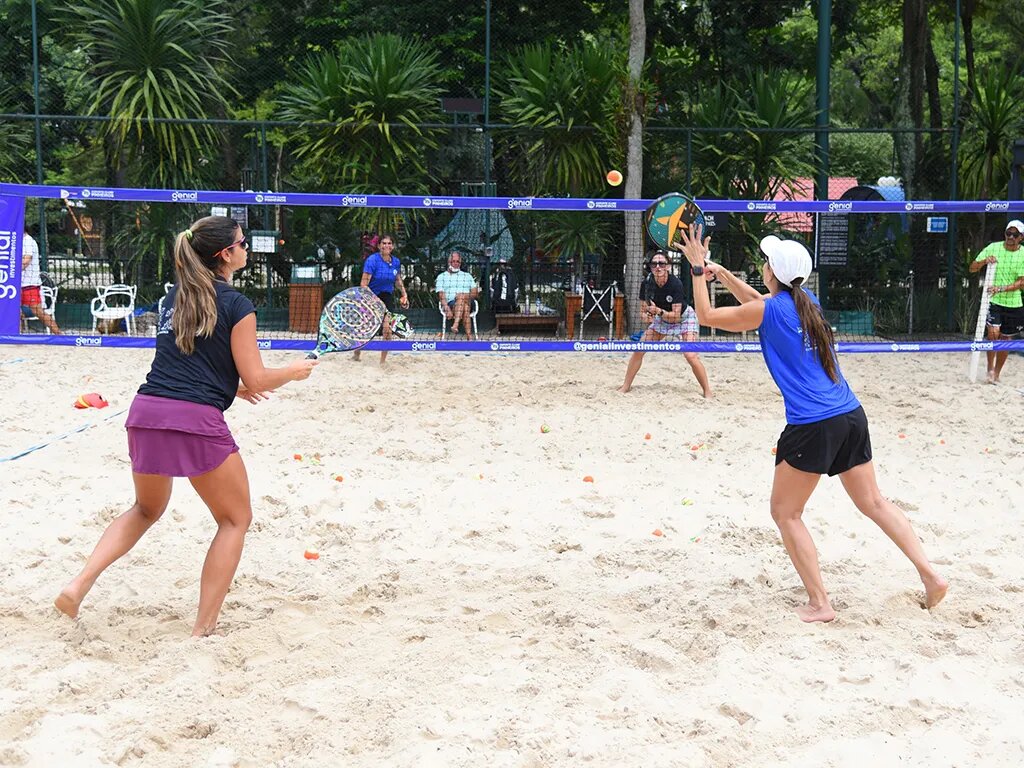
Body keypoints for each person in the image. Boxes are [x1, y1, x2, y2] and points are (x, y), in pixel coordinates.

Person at [54, 216, 317, 637]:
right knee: (235, 520)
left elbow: (191, 359)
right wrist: (293, 370)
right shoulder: (237, 304)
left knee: (145, 509)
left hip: (146, 412)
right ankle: (202, 630)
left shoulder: (174, 297)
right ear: (225, 254)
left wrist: (229, 384)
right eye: (241, 243)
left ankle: (78, 584)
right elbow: (259, 379)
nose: (246, 248)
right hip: (193, 420)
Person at [675, 227, 948, 623]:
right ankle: (931, 575)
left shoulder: (771, 309)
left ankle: (821, 603)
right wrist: (725, 274)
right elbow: (757, 301)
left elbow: (706, 316)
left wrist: (698, 271)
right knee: (874, 503)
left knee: (785, 513)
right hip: (850, 415)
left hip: (814, 425)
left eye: (767, 263)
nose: (763, 267)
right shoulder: (808, 301)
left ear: (773, 273)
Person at [618, 251, 712, 397]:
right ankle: (625, 386)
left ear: (668, 266)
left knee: (690, 355)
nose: (658, 267)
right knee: (639, 349)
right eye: (654, 264)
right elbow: (642, 312)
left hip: (684, 319)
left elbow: (675, 316)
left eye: (662, 264)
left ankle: (707, 391)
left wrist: (658, 311)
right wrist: (646, 317)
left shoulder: (675, 284)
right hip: (661, 319)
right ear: (650, 267)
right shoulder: (646, 284)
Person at [968, 219, 1024, 383]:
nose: (1011, 237)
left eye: (1015, 234)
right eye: (1008, 233)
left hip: (1013, 303)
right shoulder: (993, 248)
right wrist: (984, 261)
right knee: (993, 334)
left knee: (1006, 339)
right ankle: (989, 369)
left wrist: (1001, 288)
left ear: (1021, 237)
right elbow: (972, 268)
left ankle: (997, 373)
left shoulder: (1022, 254)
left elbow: (1022, 282)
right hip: (993, 301)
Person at [353, 233, 409, 366]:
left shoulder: (395, 261)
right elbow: (363, 284)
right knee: (365, 329)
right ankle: (356, 354)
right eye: (384, 243)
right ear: (379, 246)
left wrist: (404, 294)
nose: (386, 246)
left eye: (389, 243)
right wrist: (373, 301)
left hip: (386, 296)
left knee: (387, 330)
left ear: (393, 246)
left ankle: (382, 362)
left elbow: (398, 280)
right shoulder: (372, 260)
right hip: (370, 295)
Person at [20, 226, 61, 334]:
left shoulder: (28, 241)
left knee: (38, 311)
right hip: (16, 284)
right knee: (13, 310)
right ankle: (17, 335)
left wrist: (12, 269)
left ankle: (59, 334)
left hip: (30, 284)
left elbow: (26, 261)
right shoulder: (15, 240)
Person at [435, 250, 479, 338]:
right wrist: (447, 309)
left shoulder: (467, 276)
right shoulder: (441, 277)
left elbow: (475, 293)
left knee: (461, 297)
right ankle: (469, 337)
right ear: (449, 262)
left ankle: (455, 324)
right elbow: (441, 295)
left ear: (460, 263)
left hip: (469, 301)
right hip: (451, 305)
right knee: (465, 308)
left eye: (457, 261)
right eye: (453, 261)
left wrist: (463, 296)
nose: (455, 263)